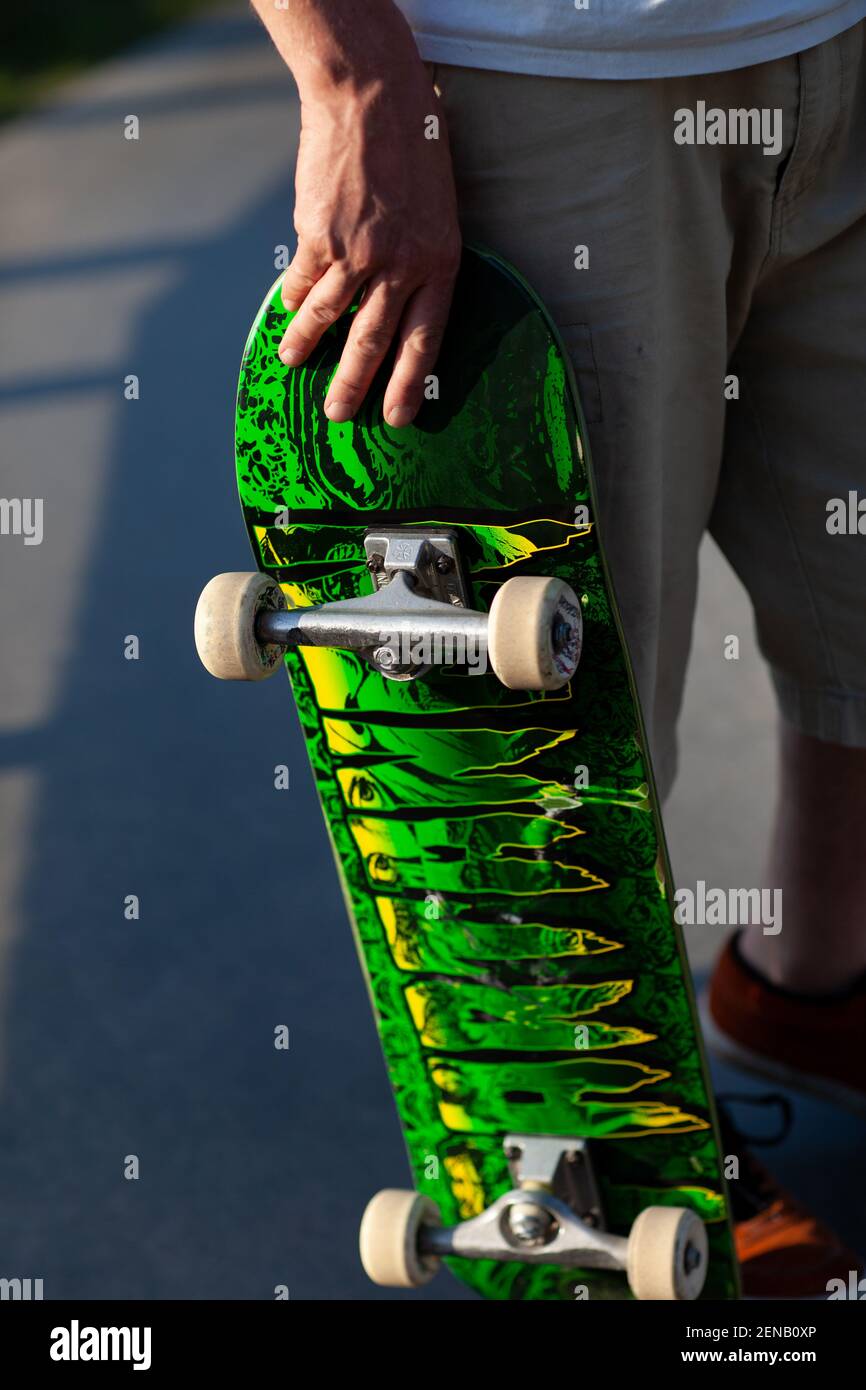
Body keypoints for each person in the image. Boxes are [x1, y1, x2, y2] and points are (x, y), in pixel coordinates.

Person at [251, 0, 866, 1297]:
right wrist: (354, 77)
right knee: (546, 715)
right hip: (531, 75)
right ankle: (607, 1162)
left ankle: (813, 993)